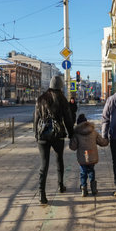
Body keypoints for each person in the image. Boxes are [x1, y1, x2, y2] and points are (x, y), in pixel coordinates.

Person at [33, 76, 75, 204]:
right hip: (57, 134)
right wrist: (71, 133)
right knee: (59, 160)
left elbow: (36, 118)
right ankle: (60, 185)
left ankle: (42, 193)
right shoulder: (62, 99)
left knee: (44, 164)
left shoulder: (41, 99)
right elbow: (68, 119)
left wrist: (36, 133)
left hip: (42, 135)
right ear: (60, 86)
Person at [70, 114, 109, 197]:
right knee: (91, 171)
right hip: (92, 157)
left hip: (82, 158)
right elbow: (102, 142)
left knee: (83, 173)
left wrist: (71, 139)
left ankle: (84, 190)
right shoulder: (93, 132)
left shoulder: (77, 134)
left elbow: (73, 147)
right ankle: (93, 189)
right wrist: (107, 140)